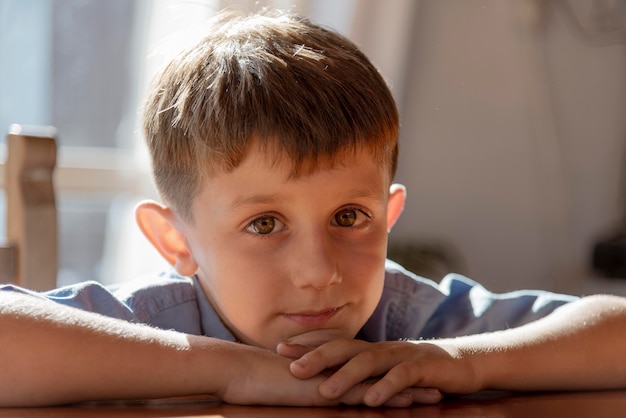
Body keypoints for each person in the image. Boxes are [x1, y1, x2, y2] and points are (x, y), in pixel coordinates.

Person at [1, 10, 625, 408]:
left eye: (350, 217)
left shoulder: (409, 325)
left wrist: (458, 361)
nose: (318, 271)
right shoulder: (152, 323)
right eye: (264, 223)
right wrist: (234, 374)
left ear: (390, 214)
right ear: (175, 241)